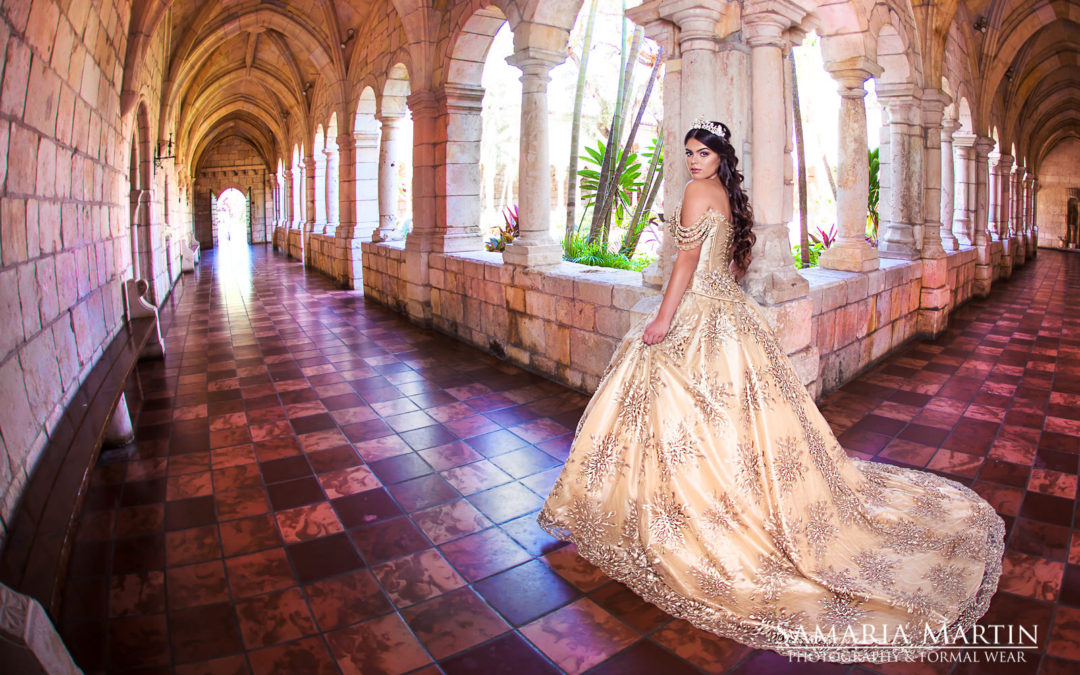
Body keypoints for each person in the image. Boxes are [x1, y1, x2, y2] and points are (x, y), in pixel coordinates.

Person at [538, 118, 1005, 662]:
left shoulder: (695, 193)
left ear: (719, 156)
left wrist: (663, 320)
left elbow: (685, 263)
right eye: (688, 153)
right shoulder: (730, 198)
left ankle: (693, 518)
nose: (693, 161)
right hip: (729, 314)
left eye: (702, 153)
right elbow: (732, 264)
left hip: (696, 315)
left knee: (682, 418)